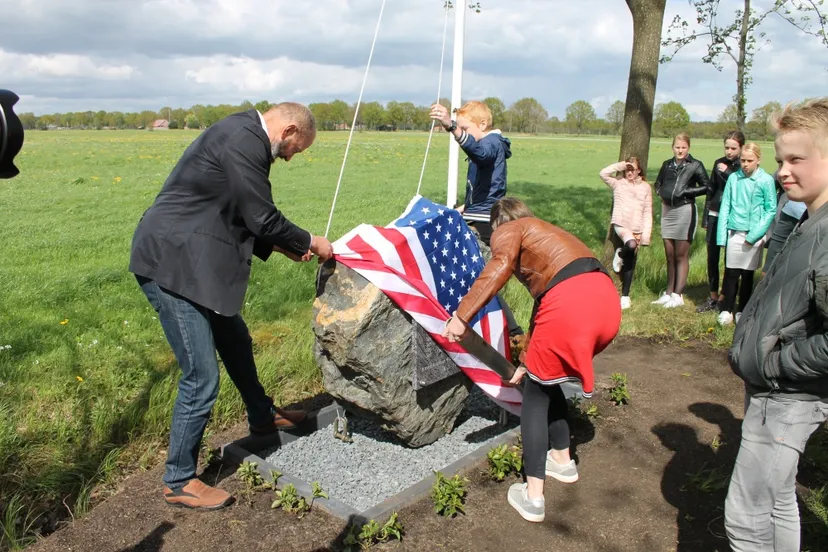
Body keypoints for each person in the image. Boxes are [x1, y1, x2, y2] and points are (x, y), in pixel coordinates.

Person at [128, 102, 334, 510]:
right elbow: (259, 214)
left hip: (193, 260)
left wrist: (280, 246)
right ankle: (179, 480)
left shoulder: (242, 133)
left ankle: (262, 416)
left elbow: (232, 208)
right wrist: (310, 241)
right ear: (289, 131)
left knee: (235, 339)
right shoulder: (245, 140)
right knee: (201, 376)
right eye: (295, 150)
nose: (290, 158)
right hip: (172, 264)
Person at [442, 198, 621, 523]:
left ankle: (533, 496)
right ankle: (563, 461)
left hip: (570, 304)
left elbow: (499, 266)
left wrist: (461, 315)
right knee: (546, 382)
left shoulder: (509, 229)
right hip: (606, 304)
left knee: (535, 399)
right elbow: (546, 305)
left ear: (498, 223)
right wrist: (527, 361)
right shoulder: (549, 234)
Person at [724, 97, 828, 551]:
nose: (783, 171)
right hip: (776, 390)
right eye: (781, 160)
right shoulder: (810, 220)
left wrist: (775, 363)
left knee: (746, 519)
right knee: (778, 498)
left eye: (796, 160)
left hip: (788, 396)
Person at [430, 101, 523, 337]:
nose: (463, 133)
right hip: (477, 214)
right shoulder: (487, 142)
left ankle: (511, 333)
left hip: (484, 223)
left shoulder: (492, 142)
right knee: (480, 279)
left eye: (466, 128)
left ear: (482, 124)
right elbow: (486, 185)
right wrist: (465, 207)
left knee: (481, 279)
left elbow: (481, 155)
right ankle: (507, 331)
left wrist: (451, 126)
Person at [714, 143, 777, 326]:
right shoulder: (734, 178)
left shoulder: (766, 181)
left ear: (758, 160)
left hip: (754, 234)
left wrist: (755, 235)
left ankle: (742, 309)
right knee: (731, 272)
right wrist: (722, 237)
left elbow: (770, 209)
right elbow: (725, 206)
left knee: (748, 274)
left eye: (750, 160)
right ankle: (727, 309)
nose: (745, 164)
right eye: (743, 160)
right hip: (735, 232)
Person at [652, 133, 710, 308]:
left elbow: (707, 186)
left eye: (683, 147)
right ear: (673, 147)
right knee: (669, 255)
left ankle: (678, 295)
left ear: (688, 148)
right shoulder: (667, 165)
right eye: (677, 147)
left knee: (680, 255)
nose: (680, 150)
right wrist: (660, 192)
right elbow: (657, 183)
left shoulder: (695, 165)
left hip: (685, 211)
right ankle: (668, 293)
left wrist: (686, 192)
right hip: (667, 211)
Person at [697, 130, 745, 313]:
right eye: (727, 147)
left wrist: (728, 172)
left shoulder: (743, 165)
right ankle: (713, 295)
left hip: (732, 216)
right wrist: (706, 217)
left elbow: (740, 187)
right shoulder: (718, 163)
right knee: (712, 256)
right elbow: (711, 189)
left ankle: (726, 296)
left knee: (730, 258)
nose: (729, 152)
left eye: (733, 148)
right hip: (715, 213)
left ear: (741, 148)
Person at [599, 157, 653, 310]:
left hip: (637, 228)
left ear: (639, 171)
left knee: (631, 261)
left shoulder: (645, 187)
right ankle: (620, 253)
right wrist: (622, 165)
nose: (629, 173)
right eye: (627, 170)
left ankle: (625, 296)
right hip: (621, 224)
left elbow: (648, 212)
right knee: (631, 245)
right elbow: (603, 173)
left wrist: (645, 236)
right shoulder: (618, 183)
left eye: (633, 170)